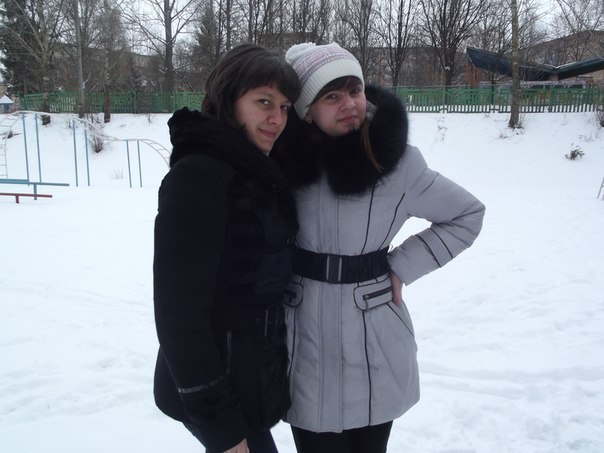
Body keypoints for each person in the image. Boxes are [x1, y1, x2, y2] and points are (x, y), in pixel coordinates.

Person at [275, 43, 486, 453]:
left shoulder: (397, 163)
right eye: (331, 96)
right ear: (306, 110)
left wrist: (402, 265)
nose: (349, 103)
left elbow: (466, 214)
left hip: (374, 342)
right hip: (302, 341)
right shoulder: (281, 163)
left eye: (354, 90)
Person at [152, 43, 300, 453]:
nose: (277, 118)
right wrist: (219, 424)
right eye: (264, 102)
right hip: (214, 388)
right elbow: (179, 312)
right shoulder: (198, 177)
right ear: (229, 100)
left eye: (285, 107)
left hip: (249, 378)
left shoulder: (255, 169)